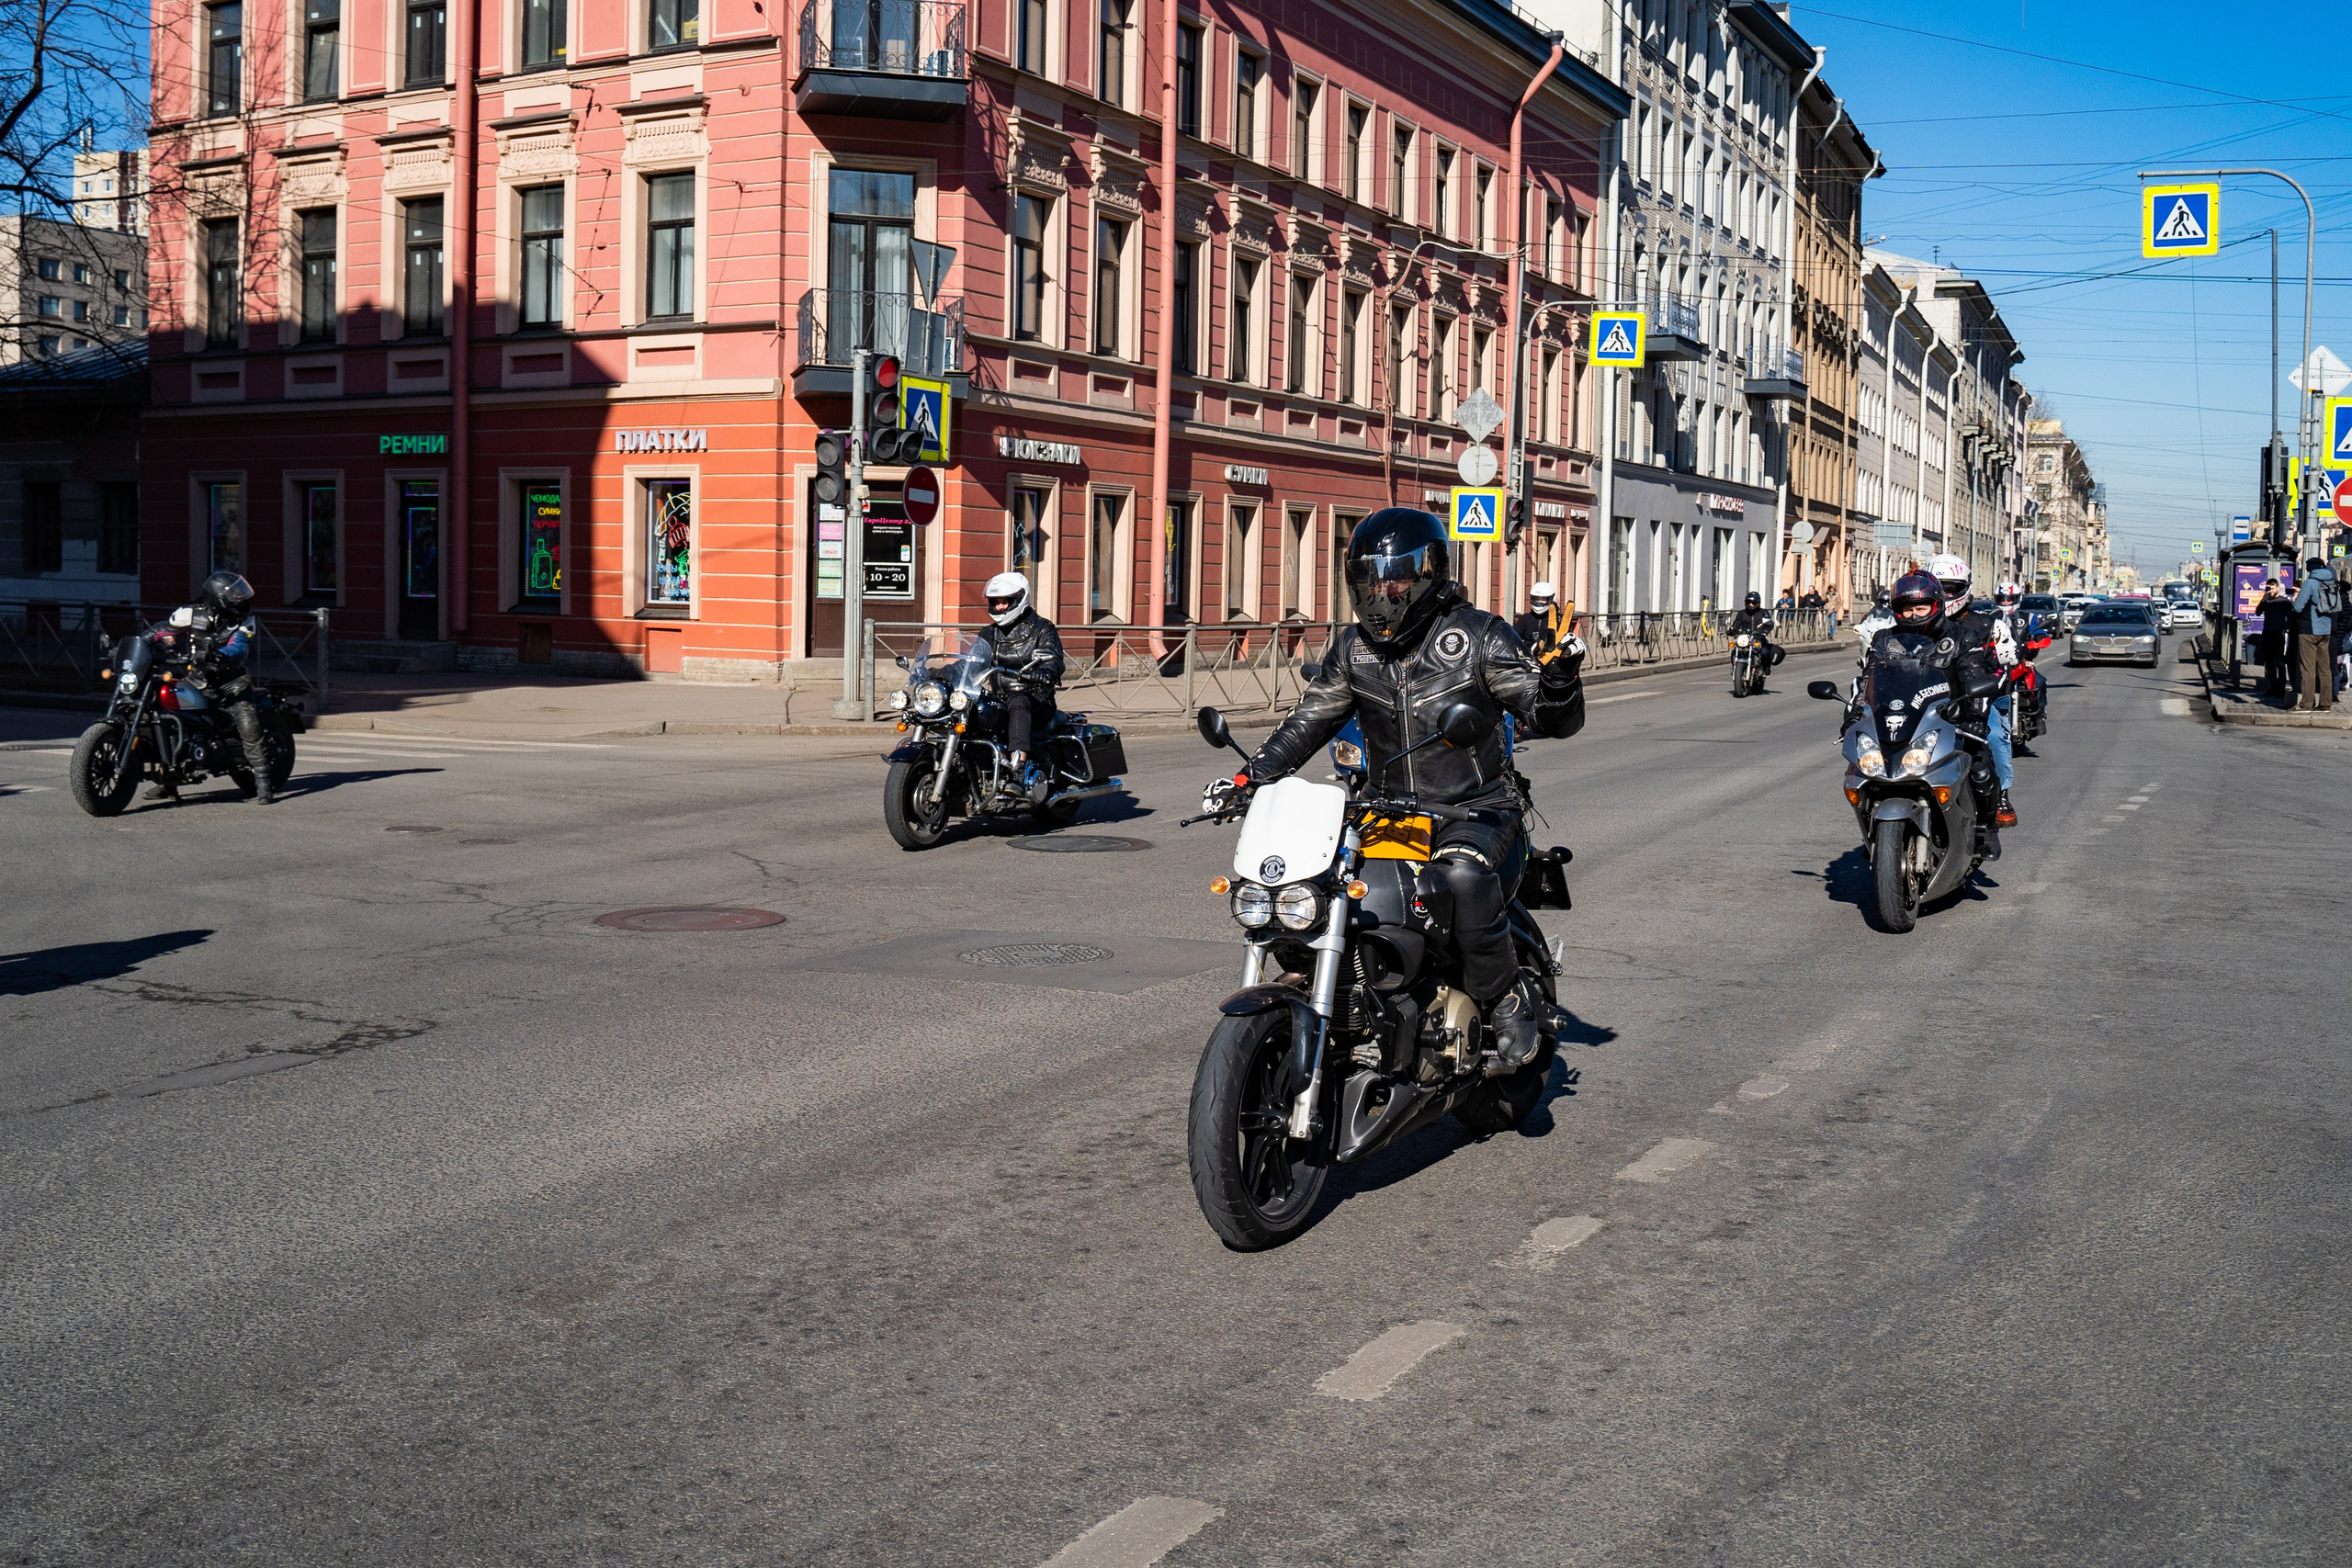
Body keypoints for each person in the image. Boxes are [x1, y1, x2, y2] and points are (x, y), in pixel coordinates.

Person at [1227, 509, 1587, 1073]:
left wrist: (1561, 682)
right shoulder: (1354, 649)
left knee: (1462, 876)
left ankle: (1505, 997)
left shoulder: (1478, 636)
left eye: (1392, 579)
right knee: (1316, 880)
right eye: (1369, 580)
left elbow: (1548, 714)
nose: (1380, 593)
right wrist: (1251, 777)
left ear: (1426, 575)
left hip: (1475, 808)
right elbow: (1309, 721)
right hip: (1386, 809)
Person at [1868, 570, 2009, 857]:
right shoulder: (1886, 640)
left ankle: (1985, 827)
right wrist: (1855, 715)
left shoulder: (1961, 637)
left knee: (1980, 768)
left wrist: (1975, 718)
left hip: (1950, 721)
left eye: (1921, 607)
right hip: (1902, 722)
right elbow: (1867, 683)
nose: (1913, 615)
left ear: (1937, 606)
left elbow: (1974, 676)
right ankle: (1877, 831)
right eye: (1905, 609)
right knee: (1865, 771)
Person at [147, 570, 275, 805]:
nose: (241, 603)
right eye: (235, 599)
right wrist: (139, 643)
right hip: (197, 682)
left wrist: (218, 655)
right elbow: (161, 630)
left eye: (241, 598)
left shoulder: (244, 620)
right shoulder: (188, 615)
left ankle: (263, 779)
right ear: (218, 598)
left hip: (232, 682)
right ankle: (167, 783)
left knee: (248, 722)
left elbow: (239, 647)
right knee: (168, 720)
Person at [1927, 553, 2017, 829]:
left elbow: (2004, 666)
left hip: (1979, 698)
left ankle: (2001, 796)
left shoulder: (1991, 626)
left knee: (1996, 738)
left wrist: (1985, 693)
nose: (1945, 594)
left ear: (1965, 588)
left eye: (1950, 588)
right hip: (1933, 698)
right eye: (1939, 588)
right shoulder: (1922, 624)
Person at [976, 570, 1065, 799]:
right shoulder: (988, 633)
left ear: (1019, 600)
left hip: (1035, 699)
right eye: (995, 602)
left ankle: (1018, 769)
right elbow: (973, 662)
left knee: (1018, 700)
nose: (999, 607)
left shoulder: (1042, 629)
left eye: (1004, 602)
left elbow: (1054, 659)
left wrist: (1045, 672)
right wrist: (943, 671)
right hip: (999, 699)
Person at [2290, 555, 2339, 711]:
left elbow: (2298, 608)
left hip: (2309, 630)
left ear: (2309, 569)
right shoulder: (2331, 582)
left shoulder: (2310, 583)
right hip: (2326, 631)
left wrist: (2293, 601)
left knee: (2308, 668)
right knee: (2325, 669)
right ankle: (2325, 704)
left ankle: (2306, 704)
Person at [1512, 581, 1572, 667]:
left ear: (1551, 599)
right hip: (1528, 661)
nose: (1539, 602)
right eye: (1536, 599)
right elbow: (1514, 637)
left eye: (1543, 599)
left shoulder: (1560, 619)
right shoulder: (1525, 618)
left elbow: (1567, 640)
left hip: (1551, 661)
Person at [2256, 580, 2292, 701]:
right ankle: (2273, 687)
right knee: (2269, 662)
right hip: (2267, 632)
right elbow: (2257, 612)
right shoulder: (2267, 601)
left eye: (2272, 588)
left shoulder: (2284, 601)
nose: (2270, 591)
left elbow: (2290, 616)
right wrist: (2263, 600)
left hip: (2278, 633)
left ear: (2277, 588)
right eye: (2268, 588)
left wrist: (2285, 629)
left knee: (2280, 662)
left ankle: (2281, 689)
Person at [1726, 591, 1777, 669]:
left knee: (1764, 652)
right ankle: (1736, 668)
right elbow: (1737, 623)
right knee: (1735, 650)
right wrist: (1731, 630)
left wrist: (1764, 632)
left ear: (1757, 603)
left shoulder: (1763, 612)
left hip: (1758, 638)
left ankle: (1766, 668)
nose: (1750, 604)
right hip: (1745, 639)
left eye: (1753, 603)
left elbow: (1769, 624)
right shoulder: (1742, 613)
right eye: (1749, 602)